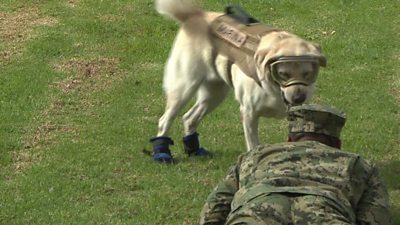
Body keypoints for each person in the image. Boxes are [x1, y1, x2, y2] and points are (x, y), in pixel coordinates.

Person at [198, 104, 391, 225]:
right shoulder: (359, 164)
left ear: (289, 140)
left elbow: (216, 205)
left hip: (257, 212)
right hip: (325, 213)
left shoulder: (254, 155)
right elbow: (376, 217)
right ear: (337, 145)